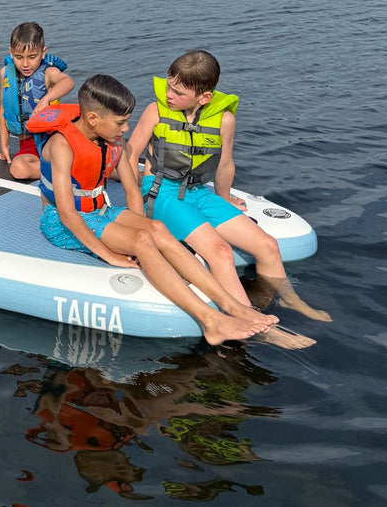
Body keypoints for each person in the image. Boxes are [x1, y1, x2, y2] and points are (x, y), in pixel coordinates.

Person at [30, 74, 313, 349]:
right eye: (120, 123)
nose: (126, 129)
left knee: (157, 231)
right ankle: (211, 320)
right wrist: (111, 254)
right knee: (142, 242)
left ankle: (233, 306)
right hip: (60, 221)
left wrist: (145, 228)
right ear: (93, 119)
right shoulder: (62, 146)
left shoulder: (113, 142)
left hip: (101, 210)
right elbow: (67, 214)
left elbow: (131, 190)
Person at [126, 50, 330, 322]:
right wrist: (135, 209)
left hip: (198, 192)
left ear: (204, 97)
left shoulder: (224, 120)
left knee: (267, 245)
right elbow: (130, 154)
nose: (168, 95)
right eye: (168, 86)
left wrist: (224, 199)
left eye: (178, 92)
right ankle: (251, 320)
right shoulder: (155, 111)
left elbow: (224, 166)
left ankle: (289, 299)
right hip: (161, 192)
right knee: (219, 251)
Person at [0, 21, 74, 180]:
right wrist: (4, 146)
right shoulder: (5, 73)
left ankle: (69, 166)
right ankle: (67, 168)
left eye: (32, 57)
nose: (25, 63)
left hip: (51, 140)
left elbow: (68, 82)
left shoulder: (48, 72)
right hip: (27, 144)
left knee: (23, 167)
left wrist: (46, 99)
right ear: (11, 53)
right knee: (18, 169)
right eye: (19, 57)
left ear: (43, 52)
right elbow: (3, 110)